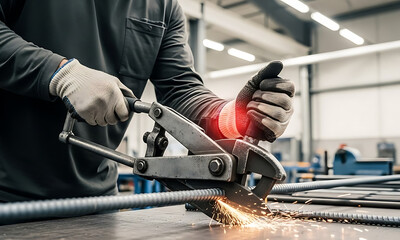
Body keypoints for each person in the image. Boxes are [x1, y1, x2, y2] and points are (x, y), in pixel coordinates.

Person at [0, 0, 294, 202]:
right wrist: (58, 73)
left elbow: (180, 88)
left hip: (96, 201)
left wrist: (235, 116)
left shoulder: (163, 6)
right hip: (8, 195)